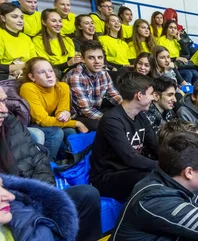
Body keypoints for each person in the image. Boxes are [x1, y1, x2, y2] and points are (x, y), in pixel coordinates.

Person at [0, 87, 102, 241]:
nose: (4, 109)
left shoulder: (11, 123)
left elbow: (38, 159)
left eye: (4, 101)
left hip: (35, 193)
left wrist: (45, 195)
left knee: (88, 194)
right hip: (10, 206)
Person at [90, 71, 158, 200]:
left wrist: (174, 163)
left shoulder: (141, 116)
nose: (153, 98)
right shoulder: (112, 120)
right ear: (139, 95)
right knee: (154, 178)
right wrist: (162, 166)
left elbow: (155, 145)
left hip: (131, 170)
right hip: (107, 177)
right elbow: (130, 157)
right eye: (150, 94)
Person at [19, 57, 88, 159]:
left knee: (70, 131)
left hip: (50, 121)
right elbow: (43, 120)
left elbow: (61, 113)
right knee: (56, 133)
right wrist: (77, 123)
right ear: (32, 77)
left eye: (50, 70)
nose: (49, 75)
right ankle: (46, 166)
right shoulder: (28, 88)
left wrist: (65, 113)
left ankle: (69, 165)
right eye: (42, 72)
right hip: (32, 124)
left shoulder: (62, 87)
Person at [63, 40, 123, 131]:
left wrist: (127, 109)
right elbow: (85, 110)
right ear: (83, 59)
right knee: (107, 125)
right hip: (77, 115)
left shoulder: (103, 73)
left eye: (100, 57)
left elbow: (114, 95)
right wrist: (112, 120)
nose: (97, 62)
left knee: (120, 115)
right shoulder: (76, 76)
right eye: (91, 58)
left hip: (95, 110)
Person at [32, 9, 79, 76]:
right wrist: (67, 64)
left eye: (60, 21)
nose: (58, 24)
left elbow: (71, 60)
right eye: (54, 21)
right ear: (44, 22)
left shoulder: (67, 40)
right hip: (50, 73)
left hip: (69, 72)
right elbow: (45, 66)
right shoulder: (37, 40)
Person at [0, 3, 35, 80]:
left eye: (22, 17)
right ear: (3, 18)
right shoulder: (1, 34)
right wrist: (19, 67)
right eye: (14, 17)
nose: (20, 21)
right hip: (4, 75)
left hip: (25, 73)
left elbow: (34, 61)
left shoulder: (26, 38)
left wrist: (22, 70)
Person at [158, 19, 198, 84]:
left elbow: (186, 53)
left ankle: (196, 91)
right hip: (168, 64)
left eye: (175, 28)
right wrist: (176, 58)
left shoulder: (176, 41)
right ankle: (185, 89)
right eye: (170, 27)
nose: (173, 29)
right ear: (166, 29)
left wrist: (179, 40)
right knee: (188, 73)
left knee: (195, 73)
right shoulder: (161, 40)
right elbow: (161, 56)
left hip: (178, 65)